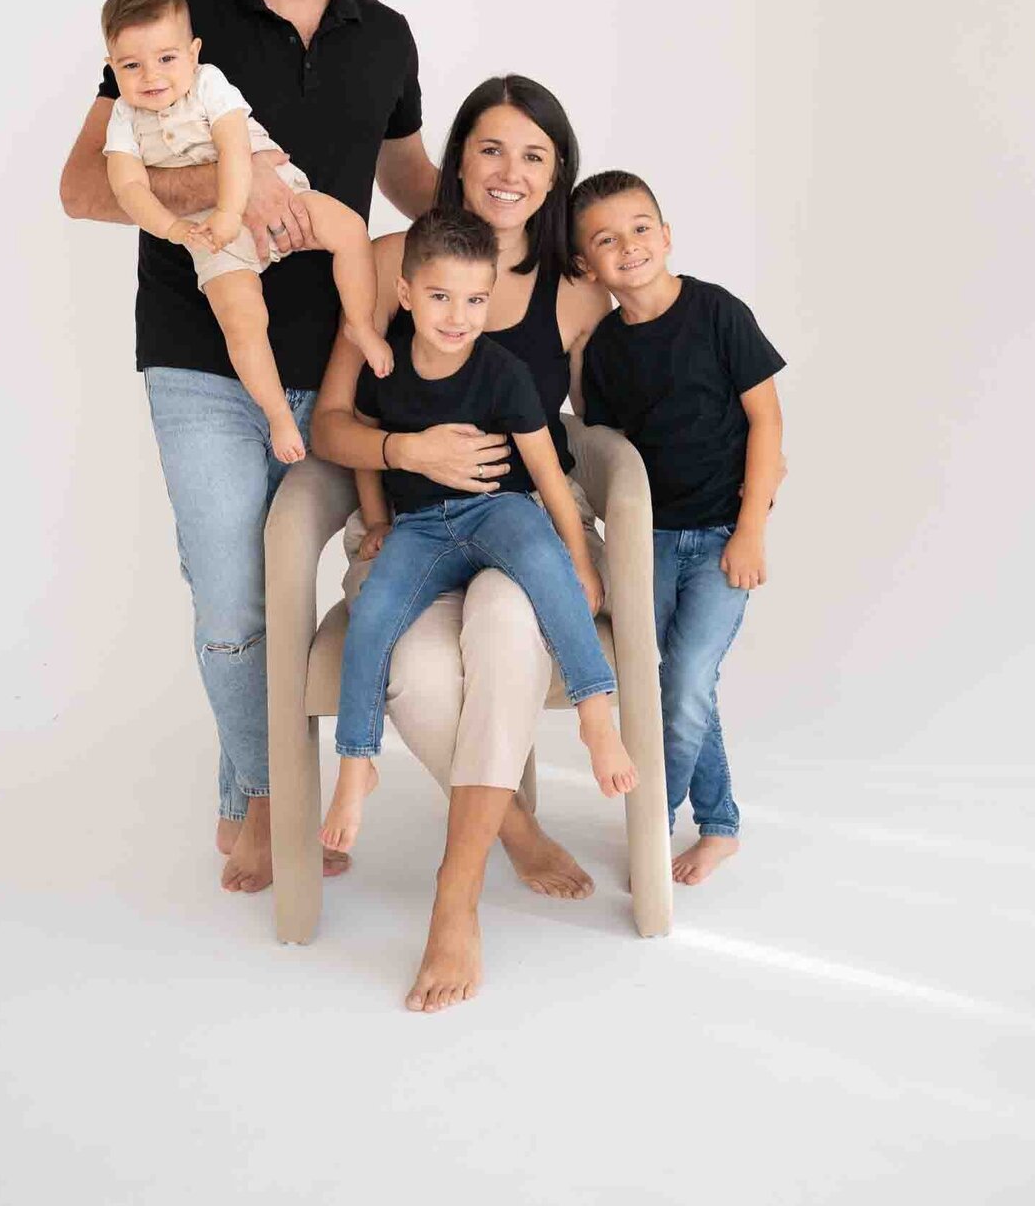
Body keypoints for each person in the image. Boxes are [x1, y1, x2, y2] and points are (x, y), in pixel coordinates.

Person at [59, 0, 438, 894]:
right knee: (234, 596)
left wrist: (516, 213)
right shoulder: (180, 24)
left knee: (381, 579)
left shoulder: (387, 37)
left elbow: (410, 184)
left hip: (352, 371)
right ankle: (270, 791)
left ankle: (255, 800)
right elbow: (84, 188)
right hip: (204, 359)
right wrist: (232, 184)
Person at [311, 75, 613, 1013]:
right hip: (412, 526)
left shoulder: (576, 289)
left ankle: (455, 897)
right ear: (457, 158)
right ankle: (513, 829)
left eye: (533, 155)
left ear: (556, 174)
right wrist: (407, 453)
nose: (509, 172)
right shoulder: (392, 258)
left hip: (521, 526)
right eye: (490, 148)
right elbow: (333, 422)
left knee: (503, 626)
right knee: (416, 675)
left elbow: (605, 436)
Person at [320, 207, 637, 854]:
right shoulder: (386, 368)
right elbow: (365, 449)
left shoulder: (501, 371)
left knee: (546, 563)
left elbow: (546, 471)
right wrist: (376, 521)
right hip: (419, 528)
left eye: (474, 300)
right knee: (373, 612)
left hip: (500, 509)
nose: (457, 316)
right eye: (439, 297)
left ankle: (595, 716)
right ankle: (356, 763)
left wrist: (579, 559)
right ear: (405, 293)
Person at [571, 170, 785, 886]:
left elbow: (767, 421)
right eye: (606, 240)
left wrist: (750, 530)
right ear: (587, 265)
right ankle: (720, 825)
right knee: (676, 682)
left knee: (689, 679)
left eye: (639, 229)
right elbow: (611, 457)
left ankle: (652, 825)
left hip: (725, 534)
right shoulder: (605, 350)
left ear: (665, 235)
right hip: (651, 543)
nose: (628, 246)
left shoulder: (718, 312)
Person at [100, 0, 392, 463]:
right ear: (113, 68)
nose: (152, 76)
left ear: (193, 53)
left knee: (349, 229)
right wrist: (173, 229)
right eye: (132, 66)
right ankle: (278, 416)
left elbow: (235, 149)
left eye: (167, 59)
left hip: (277, 192)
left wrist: (231, 211)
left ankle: (359, 324)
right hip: (209, 233)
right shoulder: (124, 118)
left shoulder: (208, 84)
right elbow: (129, 188)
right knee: (241, 321)